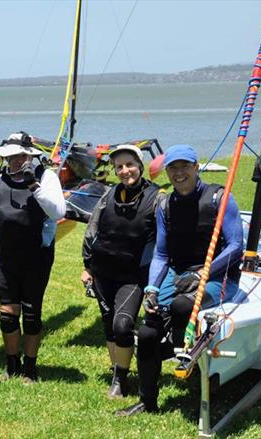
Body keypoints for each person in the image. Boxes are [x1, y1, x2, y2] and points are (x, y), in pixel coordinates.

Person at [117, 144, 243, 416]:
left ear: (196, 168)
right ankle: (147, 401)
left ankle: (181, 351)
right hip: (178, 273)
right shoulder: (166, 205)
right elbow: (161, 253)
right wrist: (151, 288)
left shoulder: (218, 198)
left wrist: (202, 274)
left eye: (185, 166)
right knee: (148, 334)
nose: (179, 172)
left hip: (218, 275)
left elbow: (236, 247)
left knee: (182, 307)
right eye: (173, 168)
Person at [0, 131, 66, 383]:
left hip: (37, 256)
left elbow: (58, 212)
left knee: (32, 315)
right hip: (7, 257)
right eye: (11, 157)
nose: (15, 161)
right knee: (7, 314)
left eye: (20, 156)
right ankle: (11, 364)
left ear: (30, 155)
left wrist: (34, 187)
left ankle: (30, 368)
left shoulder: (46, 178)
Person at [81, 144, 162, 398]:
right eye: (119, 167)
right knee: (109, 326)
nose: (125, 171)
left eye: (130, 164)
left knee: (123, 324)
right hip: (102, 270)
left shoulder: (158, 197)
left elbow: (166, 240)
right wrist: (86, 265)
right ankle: (118, 373)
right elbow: (92, 228)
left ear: (139, 165)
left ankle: (121, 378)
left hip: (133, 275)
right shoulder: (109, 194)